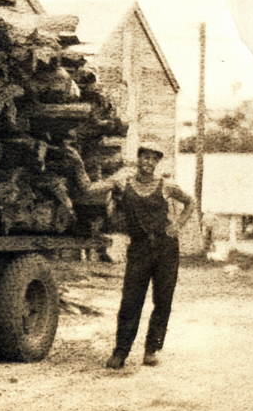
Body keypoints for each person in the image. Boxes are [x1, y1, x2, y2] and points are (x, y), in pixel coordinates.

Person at [71, 142, 194, 369]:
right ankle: (120, 352)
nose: (148, 162)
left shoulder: (167, 186)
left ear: (158, 162)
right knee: (130, 301)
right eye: (145, 157)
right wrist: (77, 163)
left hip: (166, 248)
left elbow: (190, 202)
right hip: (139, 249)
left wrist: (178, 225)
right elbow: (89, 189)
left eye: (153, 159)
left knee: (163, 300)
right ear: (138, 159)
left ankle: (151, 350)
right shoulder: (123, 182)